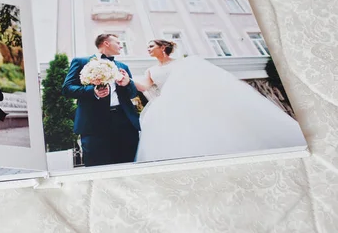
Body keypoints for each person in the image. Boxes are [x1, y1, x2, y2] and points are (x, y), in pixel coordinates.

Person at [133, 39, 306, 162]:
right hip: (167, 106)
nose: (148, 49)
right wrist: (126, 79)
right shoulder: (151, 70)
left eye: (151, 46)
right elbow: (144, 86)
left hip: (189, 101)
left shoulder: (184, 63)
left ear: (162, 47)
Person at [62, 33, 142, 166]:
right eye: (117, 42)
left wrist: (128, 83)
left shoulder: (123, 66)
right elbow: (67, 88)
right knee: (97, 165)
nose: (121, 45)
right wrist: (92, 91)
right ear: (106, 43)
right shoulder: (81, 62)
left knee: (128, 165)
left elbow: (132, 94)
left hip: (124, 122)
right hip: (94, 124)